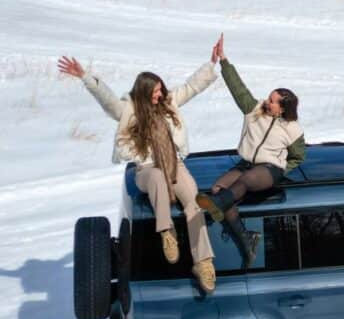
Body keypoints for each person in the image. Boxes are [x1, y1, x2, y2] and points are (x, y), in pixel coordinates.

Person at [57, 44, 220, 293]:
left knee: (193, 201)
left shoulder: (168, 104)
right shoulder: (128, 110)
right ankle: (167, 232)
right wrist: (85, 77)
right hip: (146, 169)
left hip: (174, 165)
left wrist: (212, 63)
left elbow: (191, 86)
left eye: (160, 90)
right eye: (154, 92)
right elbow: (107, 99)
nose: (159, 95)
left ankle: (203, 262)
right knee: (155, 178)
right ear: (143, 92)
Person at [197, 34, 305, 265]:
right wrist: (223, 60)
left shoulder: (293, 129)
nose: (267, 101)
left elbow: (298, 157)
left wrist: (282, 170)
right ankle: (247, 239)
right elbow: (238, 87)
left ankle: (216, 206)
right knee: (219, 188)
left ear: (283, 109)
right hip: (246, 164)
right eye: (269, 97)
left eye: (273, 101)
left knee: (244, 181)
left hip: (269, 170)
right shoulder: (253, 109)